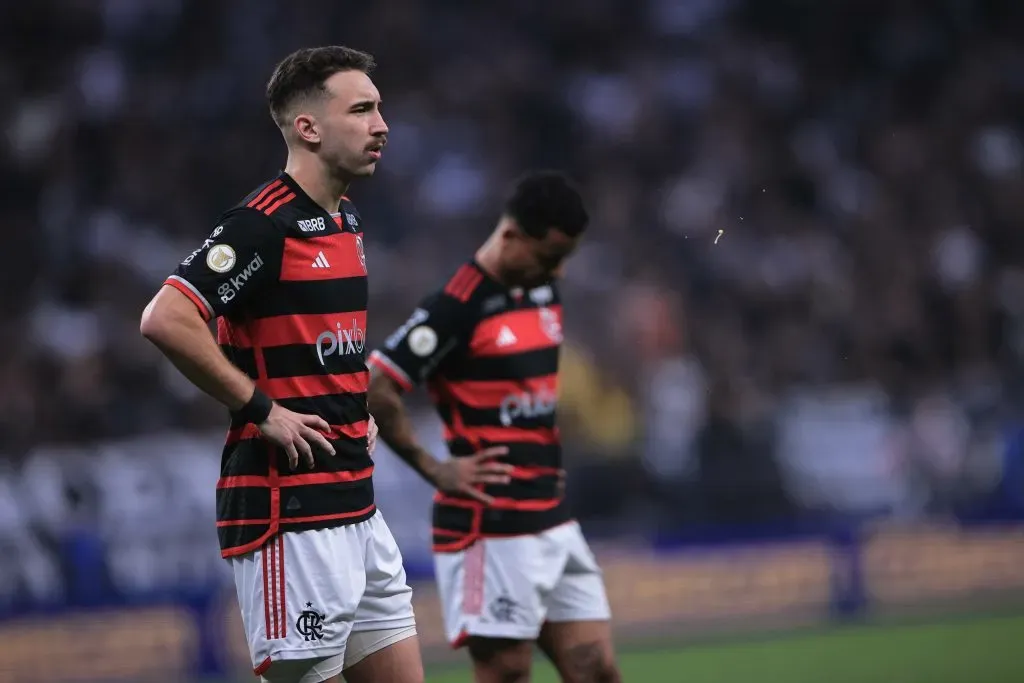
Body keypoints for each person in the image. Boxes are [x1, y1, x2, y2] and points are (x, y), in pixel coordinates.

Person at [140, 46, 423, 683]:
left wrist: (351, 406)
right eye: (362, 109)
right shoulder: (260, 226)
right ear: (308, 128)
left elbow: (319, 340)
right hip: (290, 513)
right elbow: (166, 317)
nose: (382, 124)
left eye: (379, 108)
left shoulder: (344, 220)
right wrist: (260, 409)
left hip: (357, 504)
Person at [367, 172, 621, 683]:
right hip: (490, 526)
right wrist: (434, 468)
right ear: (511, 237)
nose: (560, 270)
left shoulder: (542, 289)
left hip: (552, 515)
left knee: (596, 669)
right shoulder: (456, 307)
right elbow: (378, 384)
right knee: (507, 673)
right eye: (550, 255)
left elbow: (527, 395)